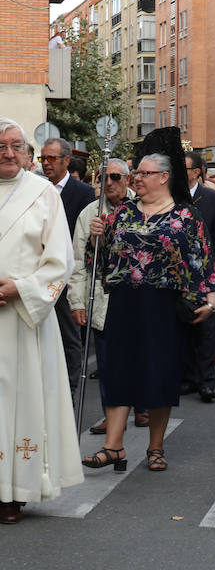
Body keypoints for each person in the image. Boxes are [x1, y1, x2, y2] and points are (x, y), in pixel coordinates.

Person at [85, 140, 215, 473]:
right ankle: (113, 446)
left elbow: (204, 259)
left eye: (144, 173)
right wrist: (95, 238)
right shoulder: (123, 213)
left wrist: (211, 298)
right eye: (136, 174)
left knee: (159, 375)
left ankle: (155, 447)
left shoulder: (186, 215)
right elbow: (98, 262)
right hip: (124, 302)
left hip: (165, 305)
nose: (136, 179)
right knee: (119, 371)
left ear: (164, 177)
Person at [0, 118, 83, 524]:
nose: (9, 154)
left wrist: (21, 288)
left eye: (16, 146)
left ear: (27, 152)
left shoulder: (42, 193)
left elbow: (60, 260)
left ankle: (13, 492)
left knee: (21, 403)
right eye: (1, 147)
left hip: (23, 318)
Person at [68, 159, 148, 434]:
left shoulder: (144, 206)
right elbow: (77, 262)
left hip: (137, 296)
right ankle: (111, 415)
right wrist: (77, 301)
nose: (109, 183)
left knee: (139, 354)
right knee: (107, 361)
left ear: (127, 179)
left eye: (115, 176)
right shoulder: (90, 213)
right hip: (102, 296)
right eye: (103, 178)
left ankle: (141, 406)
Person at [40, 137, 95, 395]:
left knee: (70, 335)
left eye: (51, 158)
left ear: (65, 161)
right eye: (43, 158)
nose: (46, 164)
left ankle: (70, 389)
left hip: (67, 273)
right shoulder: (36, 188)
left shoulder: (83, 192)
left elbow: (83, 238)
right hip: (39, 273)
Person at [183, 151, 215, 398]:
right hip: (179, 274)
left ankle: (206, 381)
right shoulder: (172, 196)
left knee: (207, 330)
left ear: (197, 171)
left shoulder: (212, 198)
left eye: (185, 168)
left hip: (206, 273)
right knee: (185, 328)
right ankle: (188, 377)